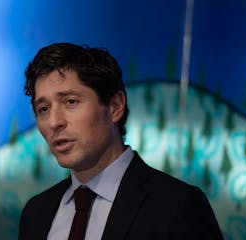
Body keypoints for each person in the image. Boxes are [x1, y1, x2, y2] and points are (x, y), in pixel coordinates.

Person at [19, 42, 224, 240]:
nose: (54, 122)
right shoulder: (36, 213)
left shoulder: (178, 207)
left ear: (114, 107)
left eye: (70, 102)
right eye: (43, 109)